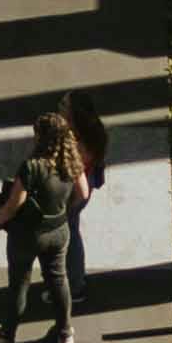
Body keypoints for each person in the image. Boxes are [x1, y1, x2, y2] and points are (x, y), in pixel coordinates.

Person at [0, 112, 88, 343]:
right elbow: (84, 193)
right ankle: (64, 331)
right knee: (59, 280)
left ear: (41, 138)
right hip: (59, 231)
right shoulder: (72, 161)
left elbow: (12, 206)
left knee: (19, 283)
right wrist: (64, 212)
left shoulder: (32, 167)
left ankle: (7, 334)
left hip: (28, 234)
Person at [55, 85, 111, 314]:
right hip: (79, 193)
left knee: (67, 240)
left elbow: (78, 181)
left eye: (63, 105)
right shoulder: (93, 133)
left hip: (73, 196)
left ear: (74, 113)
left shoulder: (76, 144)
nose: (59, 106)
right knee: (72, 234)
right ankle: (75, 281)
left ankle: (74, 286)